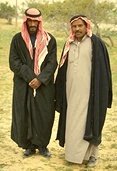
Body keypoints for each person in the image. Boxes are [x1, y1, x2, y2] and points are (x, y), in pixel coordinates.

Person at [55, 14, 112, 167]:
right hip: (71, 92)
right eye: (74, 26)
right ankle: (72, 154)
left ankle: (93, 155)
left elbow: (103, 71)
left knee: (91, 121)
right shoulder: (69, 44)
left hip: (90, 93)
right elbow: (62, 69)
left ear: (86, 26)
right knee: (73, 123)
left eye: (80, 25)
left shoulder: (96, 43)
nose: (77, 29)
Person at [9, 8, 57, 157]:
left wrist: (40, 79)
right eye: (29, 20)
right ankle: (28, 146)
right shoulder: (17, 39)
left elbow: (52, 63)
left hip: (44, 85)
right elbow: (13, 62)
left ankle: (42, 146)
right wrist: (30, 77)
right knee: (24, 113)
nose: (32, 23)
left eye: (35, 21)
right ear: (25, 21)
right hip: (24, 84)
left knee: (44, 114)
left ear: (39, 21)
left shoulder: (50, 39)